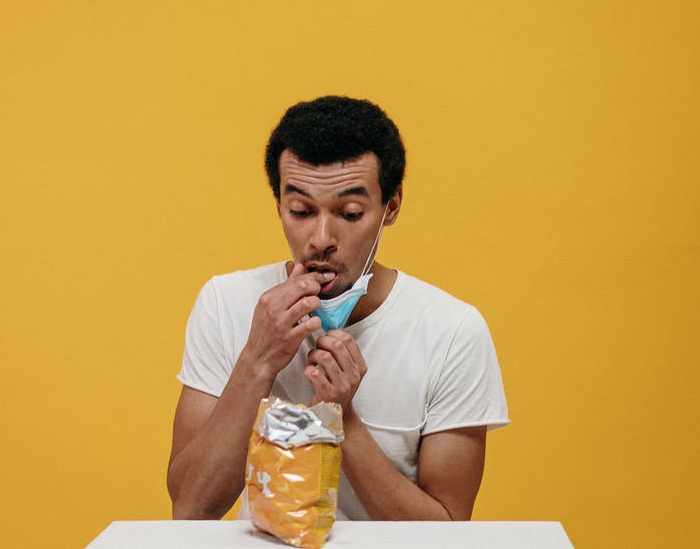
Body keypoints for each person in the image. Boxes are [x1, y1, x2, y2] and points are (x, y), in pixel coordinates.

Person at [167, 96, 509, 521]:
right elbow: (190, 508)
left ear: (391, 207)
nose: (320, 238)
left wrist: (343, 418)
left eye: (349, 213)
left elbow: (447, 532)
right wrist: (257, 363)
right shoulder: (226, 302)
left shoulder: (453, 331)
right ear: (278, 206)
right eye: (301, 211)